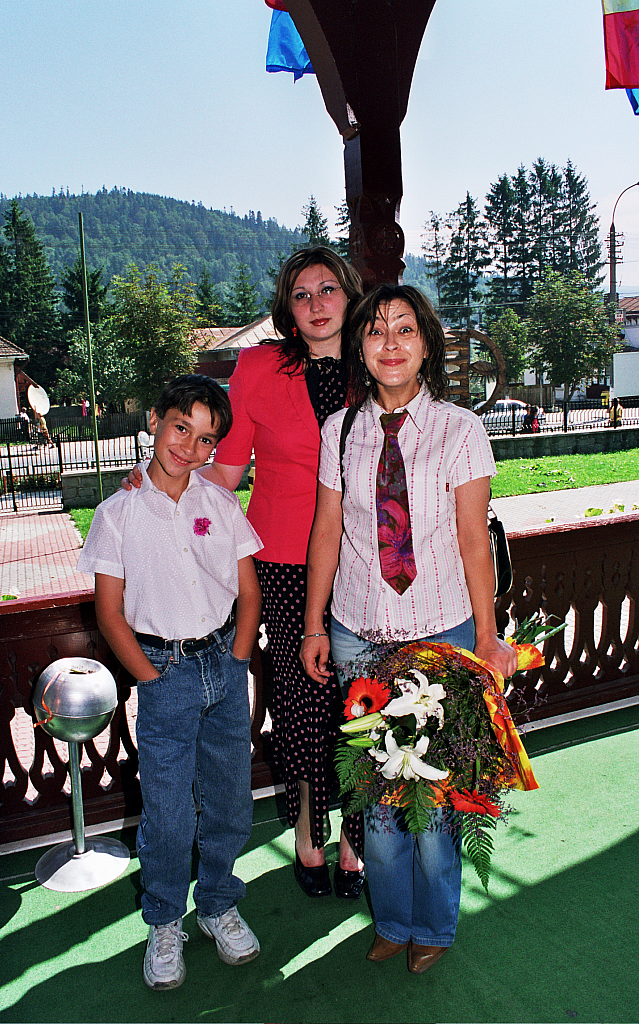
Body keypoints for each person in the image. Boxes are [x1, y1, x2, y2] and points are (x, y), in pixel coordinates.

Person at [123, 247, 366, 899]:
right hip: (285, 561)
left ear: (350, 294)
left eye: (328, 289)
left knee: (366, 701)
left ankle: (357, 843)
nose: (316, 304)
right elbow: (222, 477)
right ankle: (311, 838)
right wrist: (157, 475)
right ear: (288, 309)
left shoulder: (380, 363)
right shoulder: (259, 368)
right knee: (305, 704)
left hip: (369, 564)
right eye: (301, 294)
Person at [300, 284, 517, 973]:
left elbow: (473, 540)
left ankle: (436, 926)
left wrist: (487, 638)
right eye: (375, 332)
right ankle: (392, 919)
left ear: (426, 343)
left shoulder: (460, 429)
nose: (390, 343)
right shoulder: (340, 431)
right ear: (360, 350)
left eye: (404, 330)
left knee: (436, 799)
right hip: (359, 635)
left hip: (440, 638)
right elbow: (327, 531)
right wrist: (312, 626)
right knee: (380, 800)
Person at [77, 375, 263, 991]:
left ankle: (216, 903)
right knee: (168, 813)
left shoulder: (220, 504)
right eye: (181, 427)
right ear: (156, 419)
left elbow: (247, 590)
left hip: (223, 669)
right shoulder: (119, 511)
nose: (189, 446)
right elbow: (109, 613)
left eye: (206, 439)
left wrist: (237, 657)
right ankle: (163, 921)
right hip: (166, 675)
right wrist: (152, 679)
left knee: (232, 798)